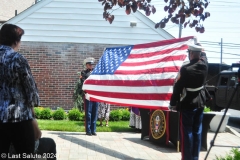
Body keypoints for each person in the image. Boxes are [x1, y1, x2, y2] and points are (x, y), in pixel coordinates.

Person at [0, 24, 39, 159]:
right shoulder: (18, 58)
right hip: (19, 118)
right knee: (26, 155)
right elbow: (31, 92)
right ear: (16, 40)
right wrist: (33, 116)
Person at [169, 43, 208, 160]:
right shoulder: (205, 65)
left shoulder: (186, 69)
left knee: (187, 132)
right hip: (200, 102)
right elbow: (205, 56)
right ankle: (195, 157)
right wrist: (202, 49)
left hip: (188, 103)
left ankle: (187, 158)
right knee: (197, 131)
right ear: (200, 54)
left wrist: (173, 103)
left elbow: (177, 88)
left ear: (191, 54)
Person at [81, 57, 99, 136]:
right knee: (88, 113)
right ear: (86, 65)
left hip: (95, 95)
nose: (91, 66)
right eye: (89, 64)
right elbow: (83, 82)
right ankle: (88, 130)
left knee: (95, 112)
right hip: (88, 95)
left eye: (92, 64)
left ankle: (93, 130)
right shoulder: (84, 73)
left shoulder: (96, 72)